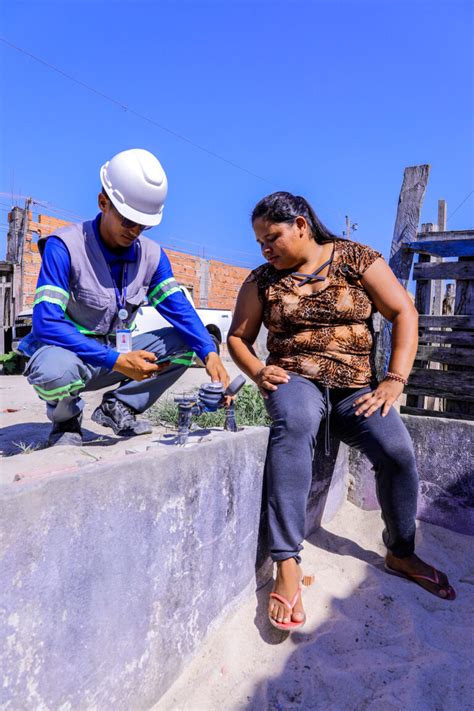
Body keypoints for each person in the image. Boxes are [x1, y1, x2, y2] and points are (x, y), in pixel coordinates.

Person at [227, 191, 456, 631]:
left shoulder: (355, 258)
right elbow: (238, 337)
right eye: (259, 242)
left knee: (397, 451)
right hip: (295, 379)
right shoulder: (261, 281)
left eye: (272, 237)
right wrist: (258, 371)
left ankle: (400, 552)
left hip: (355, 389)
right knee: (294, 423)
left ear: (300, 224)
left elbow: (403, 311)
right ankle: (287, 560)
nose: (265, 249)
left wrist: (394, 379)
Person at [22, 148, 229, 446]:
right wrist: (116, 359)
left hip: (118, 353)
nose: (135, 231)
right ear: (103, 203)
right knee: (52, 371)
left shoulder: (152, 256)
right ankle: (66, 421)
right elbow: (46, 324)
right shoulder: (64, 247)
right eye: (128, 221)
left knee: (188, 342)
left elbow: (179, 310)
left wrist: (209, 353)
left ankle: (120, 405)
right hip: (72, 355)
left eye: (143, 225)